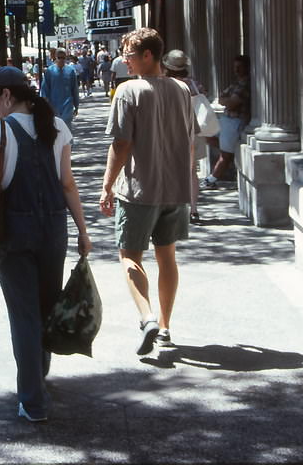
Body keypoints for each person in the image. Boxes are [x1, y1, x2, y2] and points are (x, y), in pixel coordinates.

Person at [0, 66, 90, 422]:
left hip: (14, 230)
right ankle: (39, 375)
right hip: (54, 228)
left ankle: (33, 400)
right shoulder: (58, 127)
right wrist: (83, 230)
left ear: (7, 95)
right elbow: (67, 183)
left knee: (23, 315)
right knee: (45, 306)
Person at [98, 28, 197, 355]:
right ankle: (165, 327)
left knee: (129, 256)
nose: (124, 60)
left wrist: (107, 185)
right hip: (175, 189)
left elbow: (121, 144)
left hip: (139, 189)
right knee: (167, 256)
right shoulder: (182, 89)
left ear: (148, 55)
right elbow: (190, 139)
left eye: (129, 54)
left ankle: (147, 317)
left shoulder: (128, 91)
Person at [162, 50, 209, 223]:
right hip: (193, 130)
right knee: (192, 171)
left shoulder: (165, 85)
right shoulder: (194, 84)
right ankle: (193, 209)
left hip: (170, 132)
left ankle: (174, 209)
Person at [202, 55, 251, 189]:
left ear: (247, 67)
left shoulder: (246, 85)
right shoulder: (236, 84)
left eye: (240, 67)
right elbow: (221, 99)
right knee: (206, 134)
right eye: (235, 67)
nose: (236, 70)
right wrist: (227, 101)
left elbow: (231, 103)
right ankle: (231, 152)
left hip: (235, 121)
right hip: (225, 118)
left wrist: (228, 101)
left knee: (224, 155)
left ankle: (211, 180)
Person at [39, 48, 80, 132]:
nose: (61, 60)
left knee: (66, 128)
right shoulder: (50, 71)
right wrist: (44, 105)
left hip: (67, 105)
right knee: (56, 129)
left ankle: (68, 141)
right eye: (59, 57)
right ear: (55, 57)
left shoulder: (71, 71)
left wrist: (76, 105)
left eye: (63, 58)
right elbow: (44, 89)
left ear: (66, 58)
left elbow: (74, 89)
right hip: (53, 105)